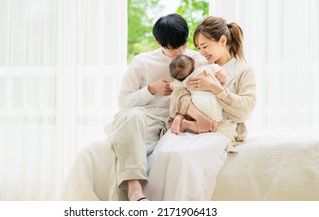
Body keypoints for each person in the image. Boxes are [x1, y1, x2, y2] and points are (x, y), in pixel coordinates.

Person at [144, 15, 256, 200]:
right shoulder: (199, 65)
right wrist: (191, 115)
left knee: (186, 159)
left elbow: (245, 110)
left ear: (222, 40)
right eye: (198, 48)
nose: (201, 52)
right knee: (164, 154)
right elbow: (178, 95)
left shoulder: (243, 70)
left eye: (205, 46)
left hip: (220, 129)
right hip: (191, 124)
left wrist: (215, 88)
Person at [104, 13, 206, 201]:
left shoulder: (197, 59)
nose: (180, 52)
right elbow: (124, 102)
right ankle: (135, 191)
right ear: (158, 42)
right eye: (173, 48)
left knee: (126, 148)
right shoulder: (142, 62)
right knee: (130, 121)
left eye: (183, 45)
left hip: (176, 121)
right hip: (146, 119)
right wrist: (151, 89)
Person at [168, 54, 226, 134]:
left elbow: (173, 86)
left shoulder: (186, 81)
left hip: (196, 103)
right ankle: (186, 124)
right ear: (193, 59)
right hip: (211, 102)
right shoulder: (208, 68)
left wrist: (172, 83)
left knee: (188, 112)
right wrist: (220, 77)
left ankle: (183, 120)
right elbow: (222, 76)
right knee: (214, 125)